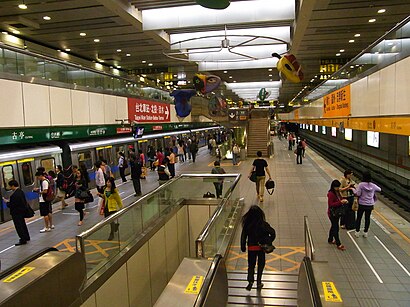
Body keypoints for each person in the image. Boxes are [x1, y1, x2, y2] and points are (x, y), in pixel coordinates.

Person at [241, 205, 276, 291]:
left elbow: (243, 236)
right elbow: (273, 232)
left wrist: (243, 246)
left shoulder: (247, 225)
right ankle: (259, 282)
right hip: (261, 248)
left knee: (251, 265)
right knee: (261, 265)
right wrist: (269, 241)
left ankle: (250, 281)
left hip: (251, 248)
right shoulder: (263, 224)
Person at [353, 171, 381, 238]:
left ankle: (357, 232)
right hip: (370, 204)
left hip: (362, 204)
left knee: (359, 218)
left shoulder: (361, 185)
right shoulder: (373, 185)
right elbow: (379, 189)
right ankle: (365, 232)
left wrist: (353, 189)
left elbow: (358, 194)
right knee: (367, 218)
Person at [3, 180, 30, 245]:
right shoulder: (20, 191)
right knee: (23, 225)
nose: (10, 188)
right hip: (21, 211)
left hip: (16, 213)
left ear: (12, 186)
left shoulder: (14, 195)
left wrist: (7, 202)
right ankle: (26, 237)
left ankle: (23, 240)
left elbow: (11, 205)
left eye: (10, 186)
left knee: (19, 226)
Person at [327, 180, 349, 250]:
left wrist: (344, 200)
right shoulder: (331, 194)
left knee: (333, 226)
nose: (338, 188)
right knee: (336, 228)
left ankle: (330, 239)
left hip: (337, 213)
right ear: (333, 187)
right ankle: (338, 243)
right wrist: (340, 202)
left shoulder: (337, 192)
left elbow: (340, 199)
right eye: (337, 187)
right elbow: (331, 204)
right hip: (332, 213)